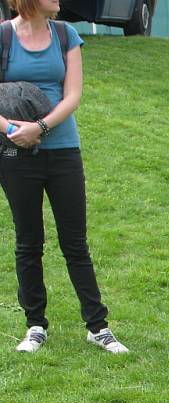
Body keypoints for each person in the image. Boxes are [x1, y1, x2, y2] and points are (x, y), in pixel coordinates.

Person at [0, 0, 127, 354]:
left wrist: (39, 126)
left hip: (64, 150)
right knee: (28, 242)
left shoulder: (65, 34)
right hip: (15, 153)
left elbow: (73, 96)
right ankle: (35, 326)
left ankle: (98, 326)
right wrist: (14, 129)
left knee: (75, 243)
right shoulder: (3, 36)